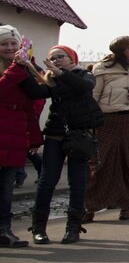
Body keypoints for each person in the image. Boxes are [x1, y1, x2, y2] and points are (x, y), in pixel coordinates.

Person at [21, 45, 102, 244]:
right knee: (47, 181)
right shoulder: (51, 80)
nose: (56, 60)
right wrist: (23, 67)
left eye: (61, 56)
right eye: (52, 58)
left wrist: (60, 74)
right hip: (56, 134)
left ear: (71, 58)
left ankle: (73, 227)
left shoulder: (85, 75)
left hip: (79, 137)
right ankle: (39, 228)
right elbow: (34, 92)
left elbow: (84, 88)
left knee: (77, 181)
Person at [86, 36, 129, 222]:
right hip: (107, 121)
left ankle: (126, 206)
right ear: (122, 51)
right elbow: (93, 95)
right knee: (100, 163)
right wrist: (91, 121)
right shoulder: (101, 69)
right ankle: (90, 205)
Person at [0, 25, 45, 247]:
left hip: (15, 135)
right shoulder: (14, 70)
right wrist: (17, 69)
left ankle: (4, 232)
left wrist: (30, 67)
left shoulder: (26, 68)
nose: (9, 47)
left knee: (6, 188)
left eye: (13, 43)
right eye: (4, 44)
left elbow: (41, 93)